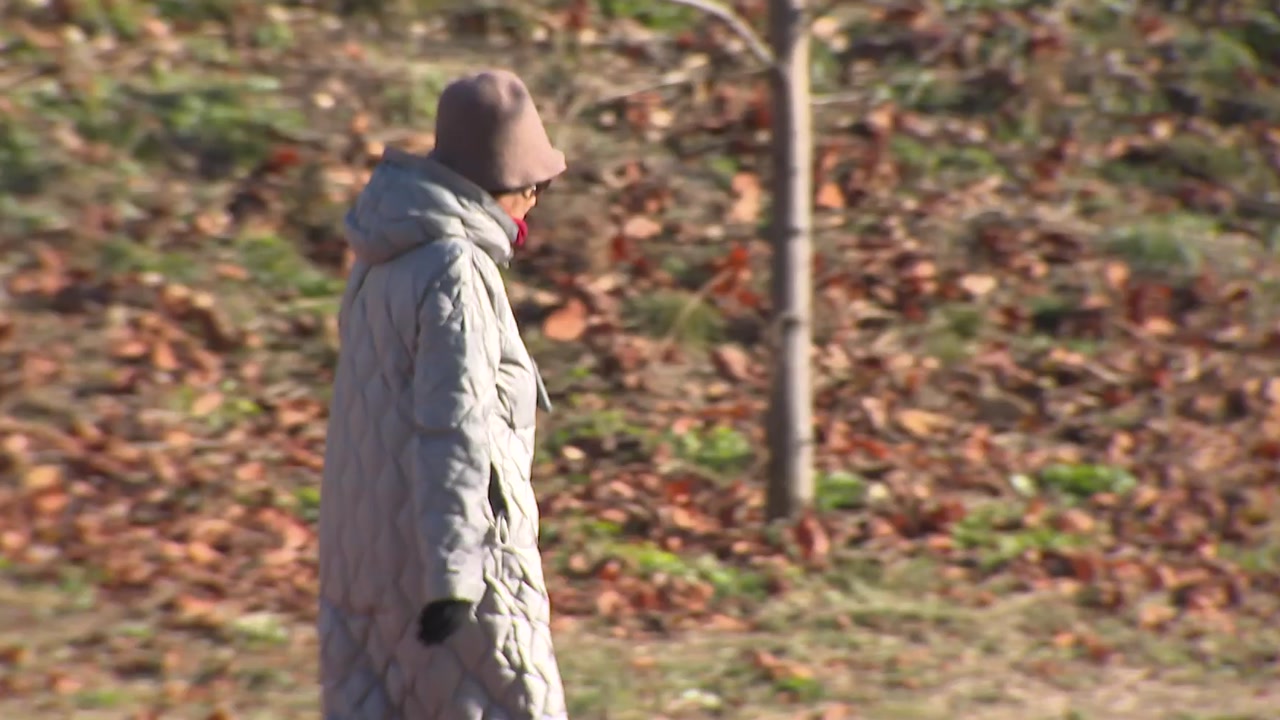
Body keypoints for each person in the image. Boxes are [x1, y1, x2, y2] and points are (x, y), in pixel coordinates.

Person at [318, 69, 568, 720]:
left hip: (366, 563)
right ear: (505, 184)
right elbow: (455, 426)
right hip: (451, 569)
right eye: (534, 185)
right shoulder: (455, 269)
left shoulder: (384, 258)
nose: (536, 200)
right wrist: (457, 575)